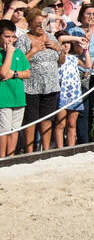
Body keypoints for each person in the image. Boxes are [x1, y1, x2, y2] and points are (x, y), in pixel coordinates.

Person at [18, 8, 63, 152]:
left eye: (43, 23)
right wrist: (33, 51)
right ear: (30, 23)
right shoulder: (24, 39)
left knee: (47, 119)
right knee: (31, 120)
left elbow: (61, 61)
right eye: (38, 24)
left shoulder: (51, 37)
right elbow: (19, 63)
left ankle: (46, 149)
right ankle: (29, 151)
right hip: (31, 86)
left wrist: (58, 49)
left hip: (51, 85)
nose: (41, 27)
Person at [0, 20, 30, 158]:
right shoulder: (9, 52)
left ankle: (11, 157)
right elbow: (3, 73)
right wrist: (9, 53)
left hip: (18, 97)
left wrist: (15, 74)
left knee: (14, 129)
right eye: (7, 37)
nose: (10, 40)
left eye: (13, 37)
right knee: (4, 130)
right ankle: (2, 157)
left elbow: (27, 73)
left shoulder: (19, 53)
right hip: (4, 98)